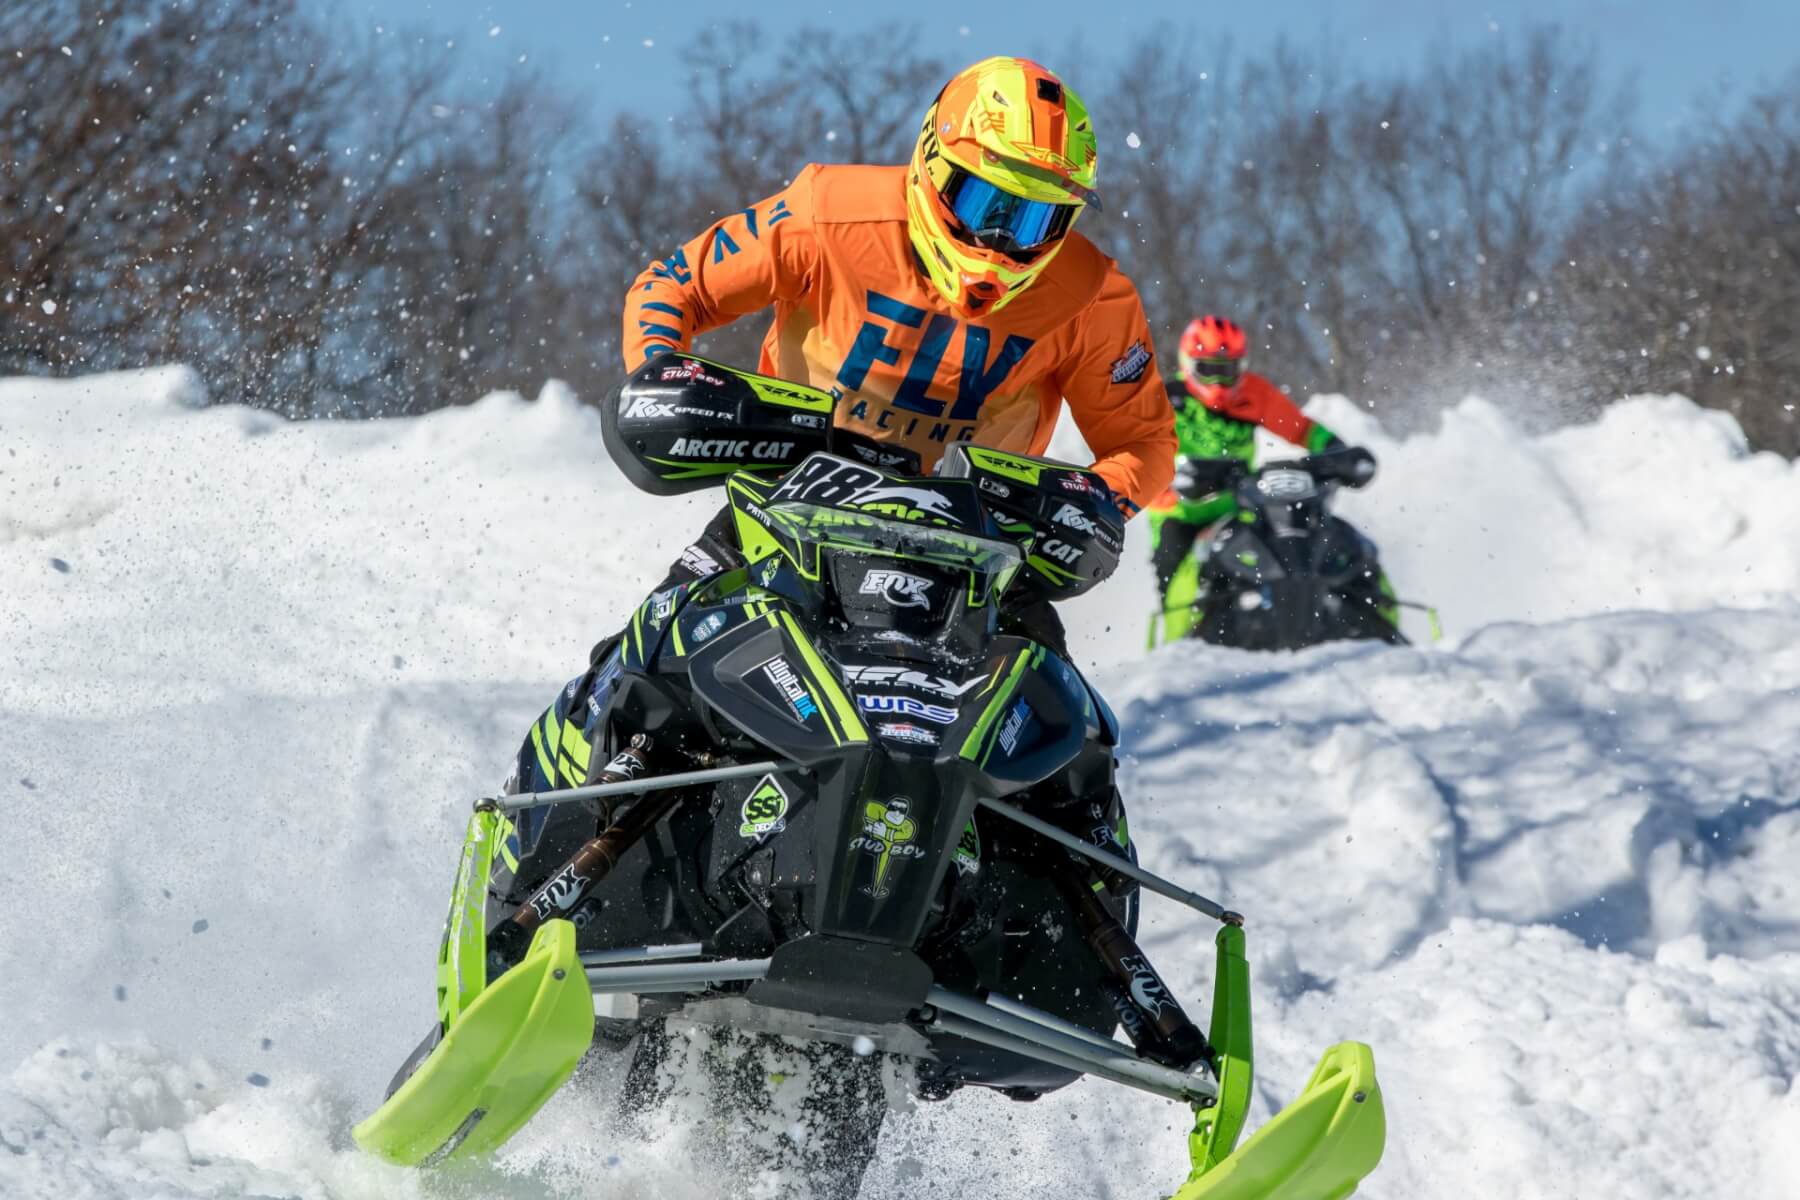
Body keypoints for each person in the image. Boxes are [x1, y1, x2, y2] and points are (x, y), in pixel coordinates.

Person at [1146, 314, 1348, 644]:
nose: (1218, 385)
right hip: (1178, 512)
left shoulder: (1255, 393)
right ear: (1188, 364)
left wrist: (1335, 450)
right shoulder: (1164, 400)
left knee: (1289, 547)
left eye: (1228, 372)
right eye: (1209, 370)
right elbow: (1139, 456)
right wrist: (1173, 487)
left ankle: (1293, 628)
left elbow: (1302, 429)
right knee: (1174, 576)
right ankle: (1175, 652)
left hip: (1237, 504)